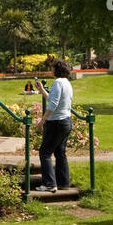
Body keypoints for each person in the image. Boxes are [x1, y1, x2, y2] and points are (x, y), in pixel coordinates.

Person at [30, 59, 74, 192]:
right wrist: (42, 90)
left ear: (57, 70)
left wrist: (42, 120)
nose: (51, 70)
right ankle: (63, 182)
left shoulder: (57, 83)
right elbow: (52, 99)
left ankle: (49, 184)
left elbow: (53, 105)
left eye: (52, 68)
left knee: (45, 152)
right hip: (66, 122)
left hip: (57, 123)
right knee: (60, 152)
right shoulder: (66, 83)